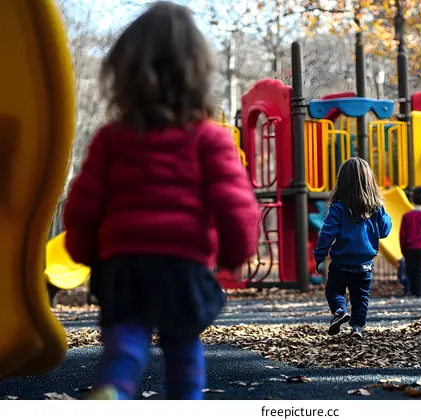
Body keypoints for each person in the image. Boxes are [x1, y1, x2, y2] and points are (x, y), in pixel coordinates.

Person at [63, 2, 260, 400]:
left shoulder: (112, 138)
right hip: (182, 263)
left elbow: (84, 202)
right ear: (197, 76)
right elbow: (234, 202)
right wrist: (237, 251)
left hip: (123, 263)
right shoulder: (209, 137)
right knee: (183, 344)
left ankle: (114, 391)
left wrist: (83, 250)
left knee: (127, 338)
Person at [314, 157, 392, 339]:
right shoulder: (376, 208)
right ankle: (357, 327)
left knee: (334, 291)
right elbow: (385, 231)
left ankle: (340, 311)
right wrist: (383, 212)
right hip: (364, 265)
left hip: (340, 263)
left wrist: (320, 257)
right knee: (361, 298)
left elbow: (326, 233)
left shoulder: (338, 208)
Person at [400, 186, 421, 297]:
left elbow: (402, 235)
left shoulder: (406, 216)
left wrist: (403, 249)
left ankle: (414, 292)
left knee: (411, 270)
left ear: (412, 200)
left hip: (410, 247)